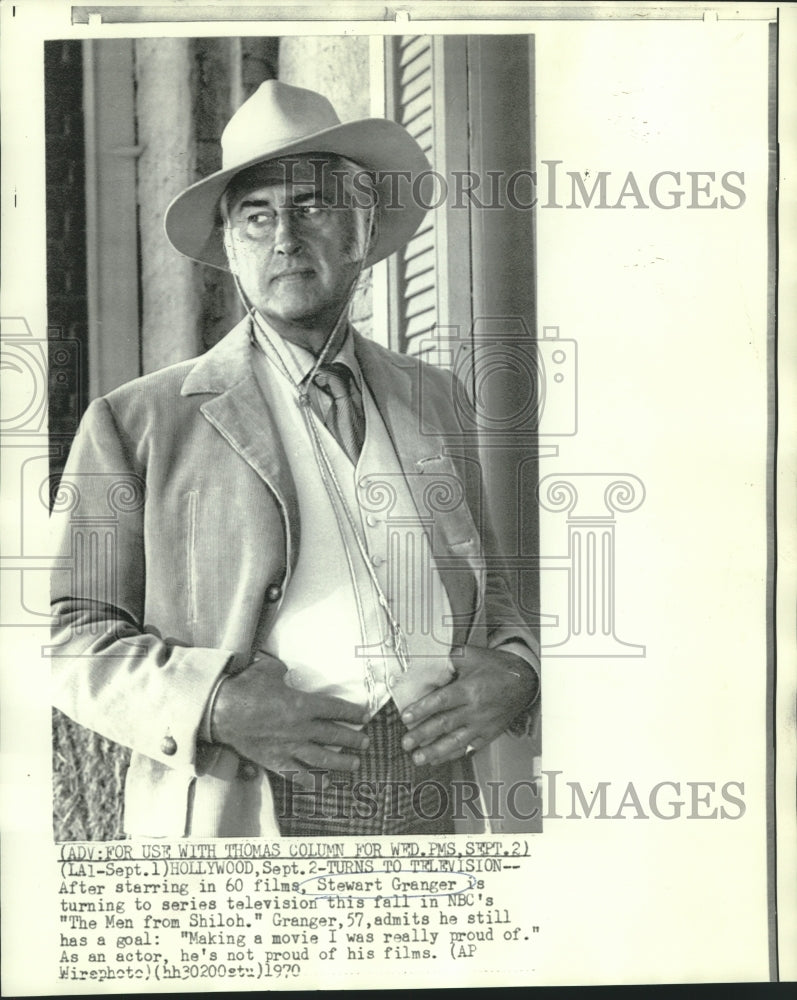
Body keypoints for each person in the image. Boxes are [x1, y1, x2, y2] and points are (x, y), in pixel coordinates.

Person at [50, 80, 540, 838]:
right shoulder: (136, 422)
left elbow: (491, 592)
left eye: (312, 207)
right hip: (252, 801)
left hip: (434, 792)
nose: (284, 236)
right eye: (257, 216)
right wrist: (213, 703)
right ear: (230, 248)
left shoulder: (435, 398)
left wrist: (516, 671)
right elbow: (65, 634)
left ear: (363, 228)